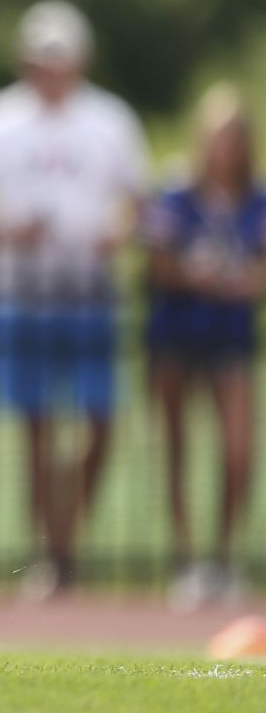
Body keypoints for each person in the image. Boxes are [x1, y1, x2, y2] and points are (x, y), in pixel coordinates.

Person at [0, 0, 148, 597]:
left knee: (100, 422)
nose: (50, 71)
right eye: (41, 59)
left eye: (60, 59)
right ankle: (51, 553)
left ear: (79, 61)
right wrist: (4, 232)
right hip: (22, 290)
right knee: (37, 426)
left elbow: (141, 201)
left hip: (88, 291)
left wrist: (116, 235)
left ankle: (66, 533)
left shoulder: (111, 120)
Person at [143, 84, 265, 608]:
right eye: (216, 137)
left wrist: (241, 281)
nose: (224, 148)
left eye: (233, 138)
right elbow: (156, 259)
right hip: (177, 333)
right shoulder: (176, 192)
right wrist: (196, 275)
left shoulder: (257, 200)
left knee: (238, 451)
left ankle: (223, 556)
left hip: (231, 338)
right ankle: (186, 558)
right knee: (177, 446)